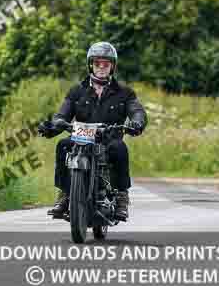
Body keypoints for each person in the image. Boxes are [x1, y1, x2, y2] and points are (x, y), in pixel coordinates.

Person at [37, 42, 147, 222]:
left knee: (120, 149)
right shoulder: (77, 91)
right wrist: (53, 125)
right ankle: (64, 195)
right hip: (80, 139)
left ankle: (121, 197)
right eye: (97, 63)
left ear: (112, 66)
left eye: (106, 63)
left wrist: (137, 123)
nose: (101, 67)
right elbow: (62, 114)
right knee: (63, 145)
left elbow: (137, 111)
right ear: (91, 65)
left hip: (109, 140)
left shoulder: (124, 93)